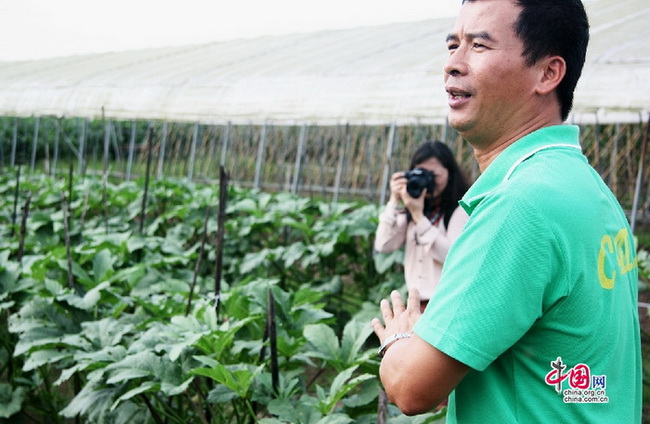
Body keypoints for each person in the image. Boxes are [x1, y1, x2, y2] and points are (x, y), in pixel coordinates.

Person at [371, 0, 641, 423]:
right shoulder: (587, 188)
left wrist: (399, 342)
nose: (453, 64)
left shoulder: (519, 205)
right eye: (452, 44)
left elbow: (410, 388)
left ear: (548, 73)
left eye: (479, 46)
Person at [374, 140, 469, 312]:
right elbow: (384, 244)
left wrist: (418, 217)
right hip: (416, 307)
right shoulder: (415, 208)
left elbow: (452, 257)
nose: (428, 180)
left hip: (445, 307)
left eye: (434, 175)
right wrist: (394, 200)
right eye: (422, 173)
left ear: (450, 173)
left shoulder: (459, 210)